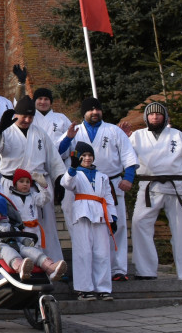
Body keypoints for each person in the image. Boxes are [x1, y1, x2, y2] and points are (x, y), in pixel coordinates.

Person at [59, 97, 138, 281]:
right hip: (81, 185)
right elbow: (59, 151)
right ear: (84, 113)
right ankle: (86, 267)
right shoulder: (74, 131)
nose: (94, 112)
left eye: (97, 109)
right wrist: (68, 138)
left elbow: (129, 156)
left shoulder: (113, 130)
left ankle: (118, 269)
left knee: (116, 226)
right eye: (90, 110)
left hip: (110, 183)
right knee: (81, 226)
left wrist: (128, 178)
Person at [129, 102, 182, 291]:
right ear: (146, 117)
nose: (155, 117)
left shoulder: (177, 135)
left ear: (165, 117)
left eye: (159, 114)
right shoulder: (137, 136)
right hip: (148, 186)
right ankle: (145, 270)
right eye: (151, 114)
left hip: (176, 186)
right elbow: (125, 158)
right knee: (139, 222)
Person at [0, 98, 65, 262]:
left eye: (31, 117)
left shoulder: (39, 133)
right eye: (24, 116)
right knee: (13, 224)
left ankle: (52, 263)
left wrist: (59, 182)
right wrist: (0, 128)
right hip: (11, 184)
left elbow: (54, 159)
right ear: (16, 114)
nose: (27, 120)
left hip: (37, 183)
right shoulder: (5, 130)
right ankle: (18, 264)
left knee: (46, 225)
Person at [61, 142, 116, 300]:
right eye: (83, 156)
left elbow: (108, 197)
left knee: (102, 253)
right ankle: (84, 289)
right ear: (79, 158)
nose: (87, 158)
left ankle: (103, 288)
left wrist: (113, 217)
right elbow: (66, 184)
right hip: (82, 213)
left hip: (100, 214)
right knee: (83, 252)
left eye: (90, 155)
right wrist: (71, 168)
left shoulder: (102, 176)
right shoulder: (75, 174)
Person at [0, 195, 67, 282]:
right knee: (7, 251)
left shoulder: (10, 225)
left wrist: (26, 241)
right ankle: (19, 266)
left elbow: (19, 235)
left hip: (15, 244)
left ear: (1, 213)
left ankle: (50, 267)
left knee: (31, 251)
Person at [0, 169, 57, 266]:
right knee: (24, 253)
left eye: (27, 182)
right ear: (15, 183)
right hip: (20, 230)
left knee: (38, 253)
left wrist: (43, 186)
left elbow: (45, 199)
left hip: (34, 230)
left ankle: (42, 273)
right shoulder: (10, 198)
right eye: (21, 181)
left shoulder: (33, 196)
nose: (25, 184)